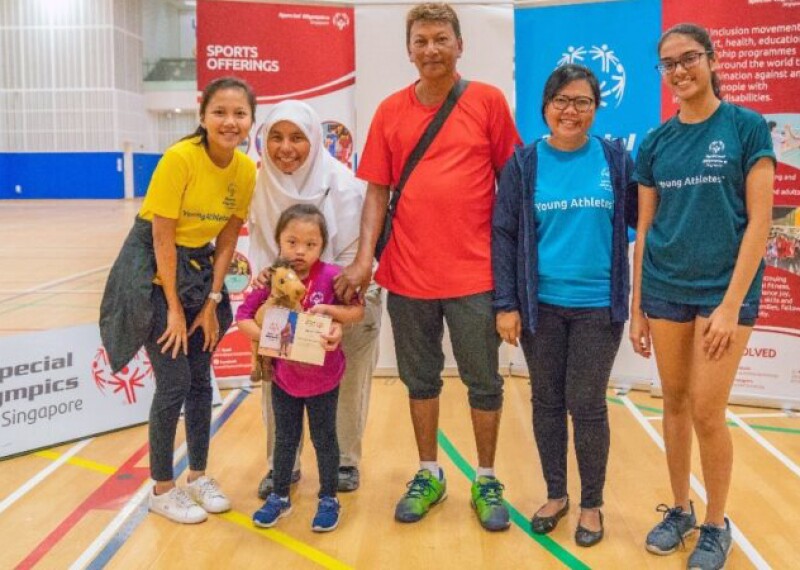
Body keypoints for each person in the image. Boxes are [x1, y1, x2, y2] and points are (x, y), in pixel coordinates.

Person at [334, 2, 521, 531]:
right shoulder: (390, 111)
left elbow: (513, 186)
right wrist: (365, 257)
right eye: (421, 40)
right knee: (421, 381)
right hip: (409, 276)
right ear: (409, 49)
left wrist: (514, 267)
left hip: (476, 278)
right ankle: (429, 472)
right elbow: (376, 192)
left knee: (484, 383)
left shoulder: (486, 102)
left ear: (460, 45)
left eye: (441, 39)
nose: (431, 49)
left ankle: (486, 478)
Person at [629, 23, 774, 570]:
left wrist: (731, 304)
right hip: (665, 289)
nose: (680, 70)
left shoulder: (746, 127)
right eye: (669, 63)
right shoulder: (656, 142)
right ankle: (681, 511)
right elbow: (645, 228)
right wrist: (639, 306)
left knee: (709, 413)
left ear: (711, 60)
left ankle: (716, 524)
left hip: (723, 294)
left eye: (689, 58)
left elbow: (760, 222)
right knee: (673, 402)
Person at [100, 77, 257, 524]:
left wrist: (210, 301)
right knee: (173, 384)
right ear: (203, 116)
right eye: (220, 112)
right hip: (151, 270)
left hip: (198, 274)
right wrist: (171, 307)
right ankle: (162, 488)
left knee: (200, 382)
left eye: (239, 114)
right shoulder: (179, 160)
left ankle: (198, 477)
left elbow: (226, 239)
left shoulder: (246, 171)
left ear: (250, 121)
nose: (229, 121)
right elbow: (162, 239)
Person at [493, 64, 637, 547]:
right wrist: (506, 303)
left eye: (582, 102)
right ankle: (557, 494)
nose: (570, 110)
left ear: (596, 108)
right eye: (561, 101)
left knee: (587, 403)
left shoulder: (616, 161)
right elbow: (505, 235)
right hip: (541, 308)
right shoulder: (524, 164)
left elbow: (645, 218)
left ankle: (592, 503)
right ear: (545, 107)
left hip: (599, 306)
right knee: (547, 401)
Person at [248, 99, 380, 498]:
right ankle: (281, 466)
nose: (285, 148)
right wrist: (269, 300)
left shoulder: (342, 185)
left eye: (297, 138)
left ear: (315, 141)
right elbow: (259, 245)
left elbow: (354, 260)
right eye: (276, 137)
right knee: (279, 379)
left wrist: (333, 313)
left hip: (342, 292)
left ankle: (343, 461)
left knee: (344, 379)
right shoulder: (261, 185)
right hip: (285, 298)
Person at [237, 204, 365, 532]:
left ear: (322, 246)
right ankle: (280, 495)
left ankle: (328, 497)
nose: (300, 251)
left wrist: (334, 318)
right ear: (278, 240)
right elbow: (243, 318)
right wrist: (267, 338)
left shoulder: (332, 277)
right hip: (284, 379)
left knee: (325, 439)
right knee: (285, 438)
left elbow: (357, 312)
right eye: (292, 242)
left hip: (324, 379)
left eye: (311, 245)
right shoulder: (272, 278)